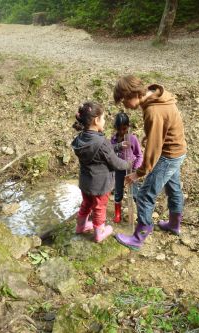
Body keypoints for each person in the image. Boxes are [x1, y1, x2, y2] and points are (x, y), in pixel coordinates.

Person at [113, 75, 187, 250]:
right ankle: (174, 225)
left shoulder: (153, 111)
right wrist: (149, 136)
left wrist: (139, 173)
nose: (125, 106)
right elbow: (162, 127)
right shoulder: (158, 97)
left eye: (124, 101)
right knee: (174, 188)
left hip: (168, 156)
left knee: (146, 195)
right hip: (178, 151)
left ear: (134, 94)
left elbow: (154, 151)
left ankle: (139, 238)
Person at [71, 101, 129, 243]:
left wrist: (119, 146)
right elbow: (115, 162)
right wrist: (129, 164)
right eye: (103, 119)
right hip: (100, 185)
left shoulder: (80, 139)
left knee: (86, 204)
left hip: (86, 183)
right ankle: (98, 234)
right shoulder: (101, 142)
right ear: (96, 120)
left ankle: (81, 226)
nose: (104, 122)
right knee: (99, 208)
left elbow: (102, 152)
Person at [111, 112, 143, 223]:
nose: (122, 132)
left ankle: (141, 216)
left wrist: (135, 169)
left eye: (124, 129)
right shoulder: (114, 139)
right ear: (116, 128)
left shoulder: (132, 139)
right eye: (119, 129)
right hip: (119, 171)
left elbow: (139, 155)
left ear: (128, 127)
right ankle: (118, 214)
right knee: (118, 192)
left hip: (131, 170)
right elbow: (110, 152)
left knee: (134, 193)